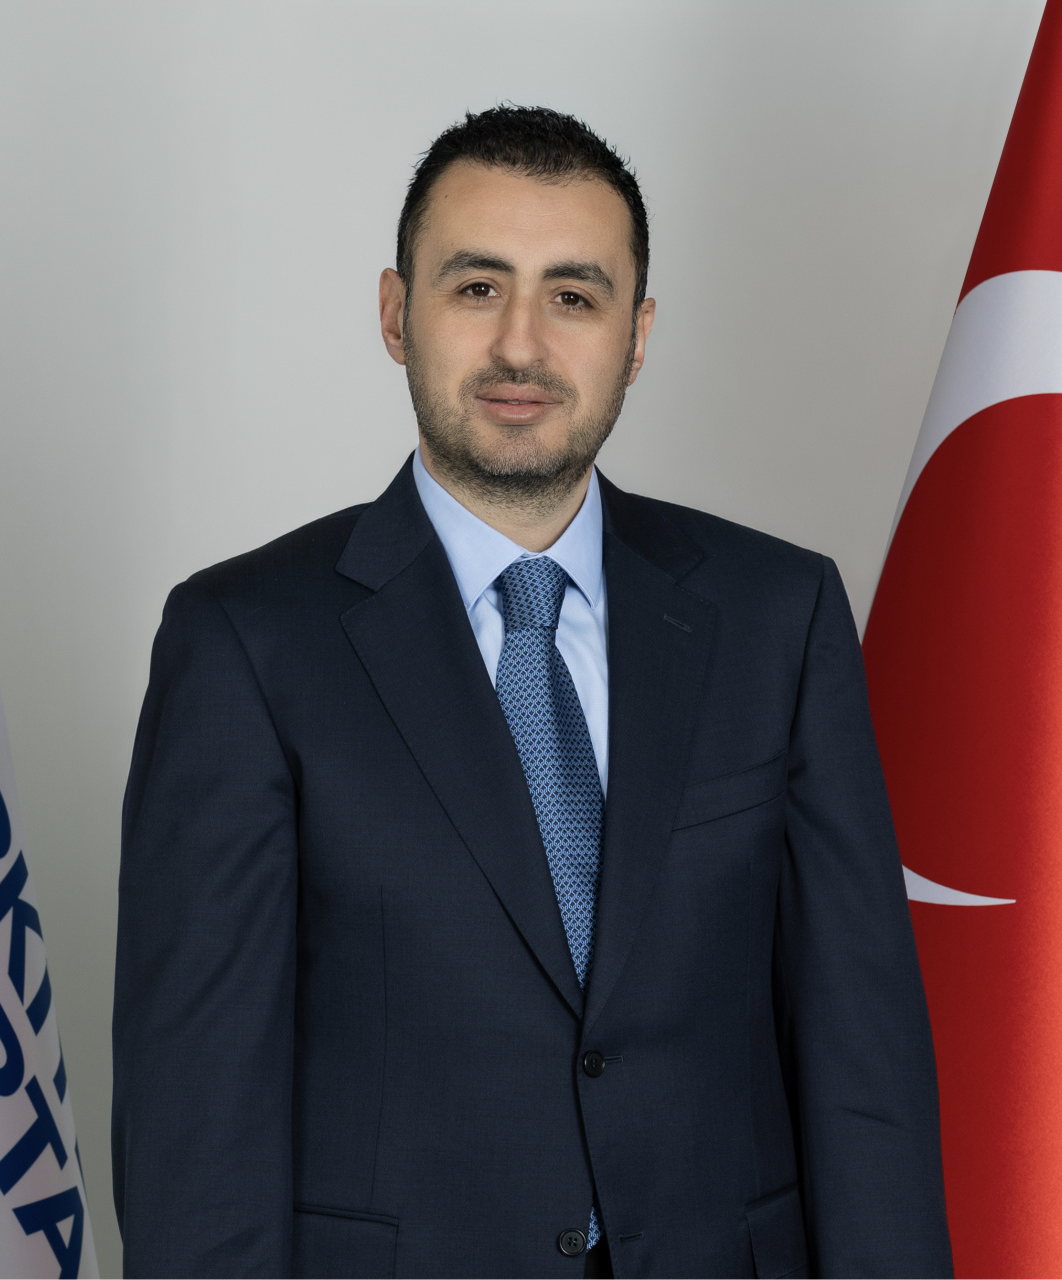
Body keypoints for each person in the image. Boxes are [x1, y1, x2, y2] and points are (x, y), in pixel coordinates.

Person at [112, 105, 952, 1279]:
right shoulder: (244, 643)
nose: (520, 344)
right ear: (395, 315)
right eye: (475, 287)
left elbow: (864, 1068)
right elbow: (196, 1124)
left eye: (572, 295)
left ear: (635, 334)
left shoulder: (779, 616)